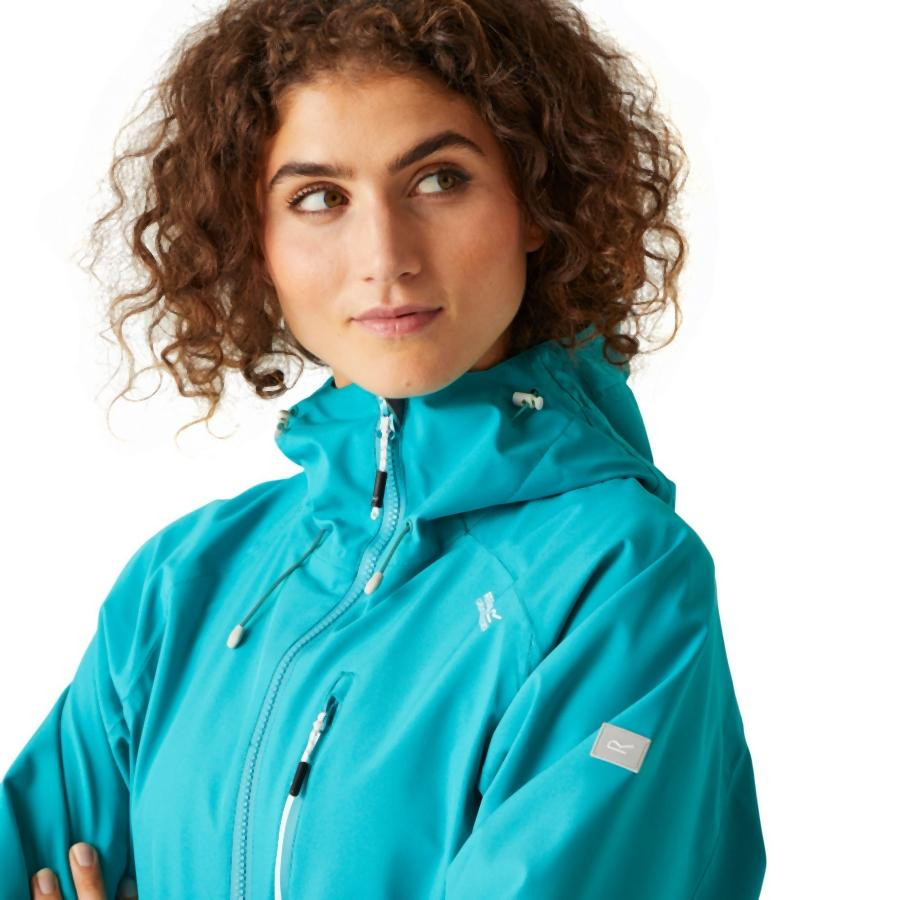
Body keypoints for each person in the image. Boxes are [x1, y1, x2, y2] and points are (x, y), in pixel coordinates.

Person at [1, 0, 767, 897]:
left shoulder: (619, 579)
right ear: (257, 240)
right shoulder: (183, 586)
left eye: (439, 179)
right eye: (319, 198)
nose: (385, 256)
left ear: (536, 200)